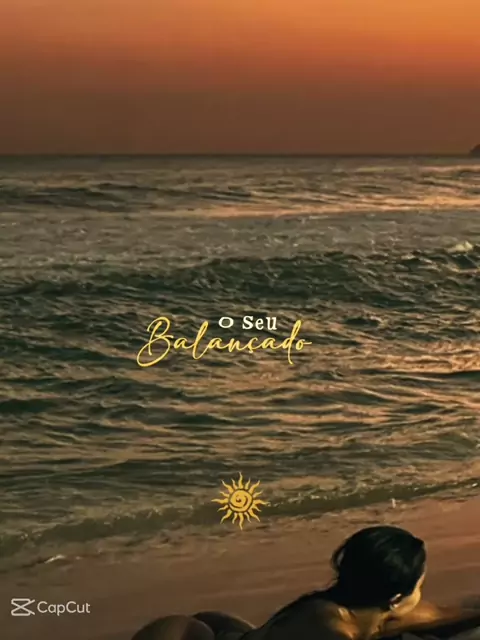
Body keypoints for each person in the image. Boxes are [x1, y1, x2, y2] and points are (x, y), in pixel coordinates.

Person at [131, 525, 480, 640]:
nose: (422, 594)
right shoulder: (330, 629)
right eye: (419, 585)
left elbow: (444, 614)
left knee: (214, 621)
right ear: (396, 596)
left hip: (234, 633)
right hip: (179, 634)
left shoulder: (363, 607)